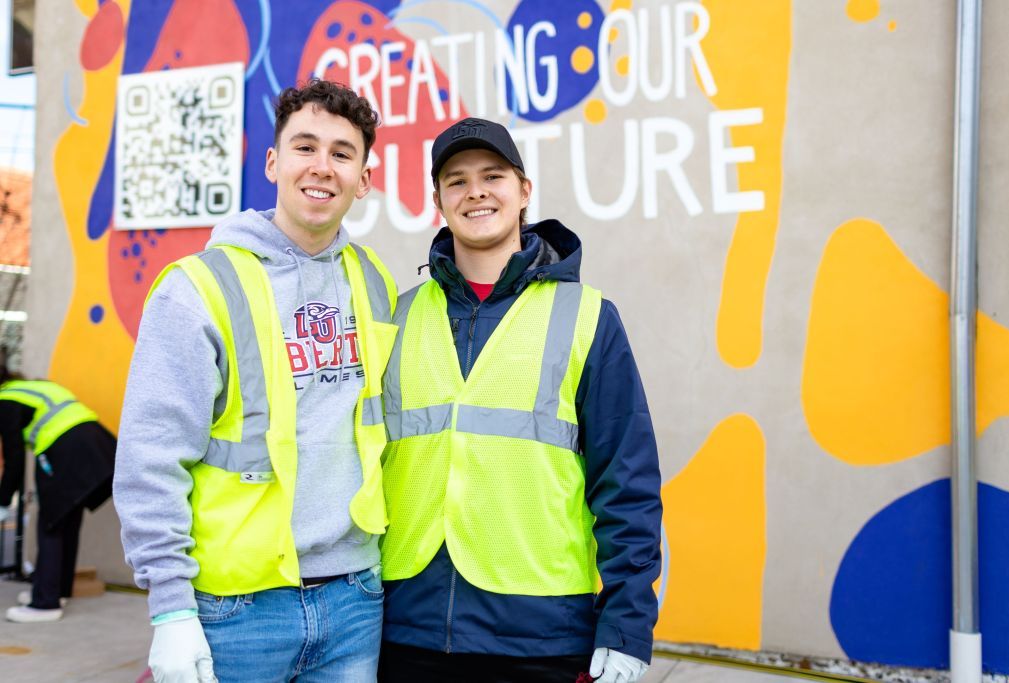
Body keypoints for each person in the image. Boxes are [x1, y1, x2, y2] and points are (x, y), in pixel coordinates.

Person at [114, 79, 397, 683]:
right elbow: (150, 456)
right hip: (234, 609)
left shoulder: (374, 280)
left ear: (365, 179)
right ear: (273, 162)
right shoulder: (197, 287)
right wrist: (170, 608)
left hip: (354, 600)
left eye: (343, 154)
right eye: (305, 147)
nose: (322, 167)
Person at [377, 118, 663, 683]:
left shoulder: (588, 318)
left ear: (524, 190)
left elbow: (626, 481)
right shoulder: (397, 316)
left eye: (493, 175)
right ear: (438, 200)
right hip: (407, 629)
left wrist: (627, 624)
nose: (475, 191)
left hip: (541, 637)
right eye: (456, 181)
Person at [0, 360, 116, 623]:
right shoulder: (29, 387)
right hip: (97, 442)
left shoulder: (4, 400)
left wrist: (4, 500)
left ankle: (45, 604)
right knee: (66, 519)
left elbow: (14, 457)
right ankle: (57, 591)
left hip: (65, 448)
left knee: (51, 524)